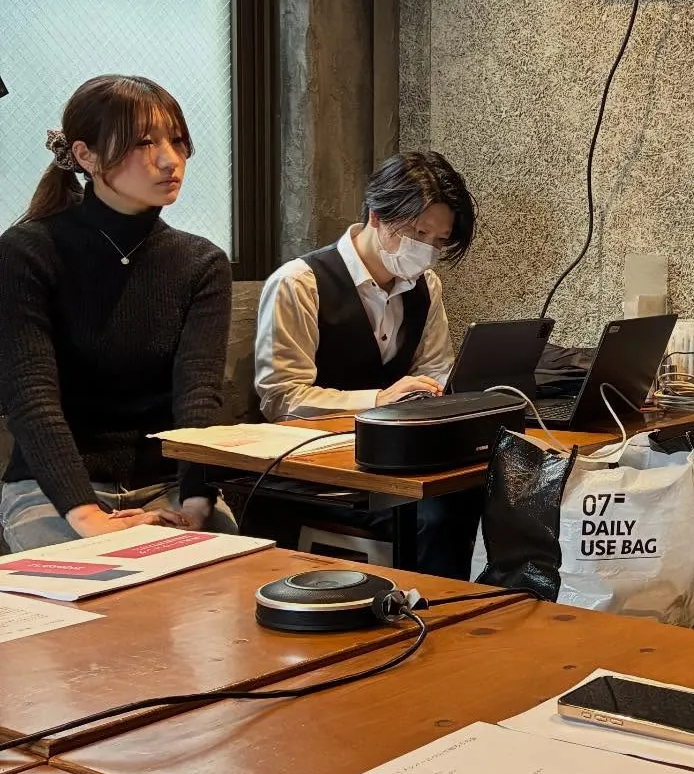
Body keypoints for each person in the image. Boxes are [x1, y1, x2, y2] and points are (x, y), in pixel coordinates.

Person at [0, 76, 233, 551]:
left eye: (177, 141)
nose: (169, 160)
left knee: (223, 573)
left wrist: (195, 503)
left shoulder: (202, 262)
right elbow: (31, 400)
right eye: (144, 143)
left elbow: (198, 396)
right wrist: (89, 516)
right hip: (55, 490)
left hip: (168, 485)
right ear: (85, 155)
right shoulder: (27, 252)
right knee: (99, 584)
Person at [253, 149, 479, 576]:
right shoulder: (299, 283)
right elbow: (281, 398)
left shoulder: (425, 286)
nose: (426, 251)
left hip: (396, 461)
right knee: (437, 518)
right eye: (418, 233)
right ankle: (428, 610)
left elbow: (436, 369)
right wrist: (379, 400)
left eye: (438, 241)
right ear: (376, 215)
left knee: (488, 495)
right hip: (317, 470)